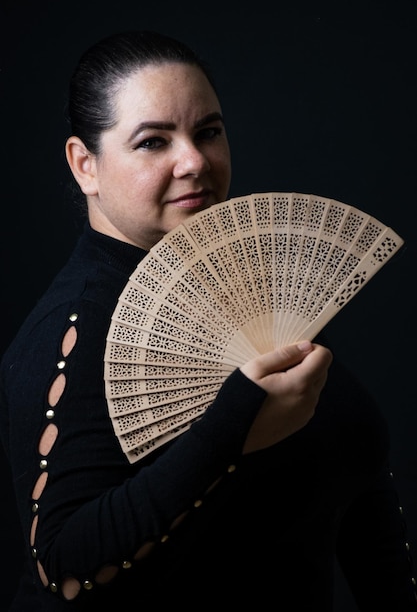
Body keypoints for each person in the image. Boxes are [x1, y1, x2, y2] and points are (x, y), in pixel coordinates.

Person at [0, 30, 415, 612]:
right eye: (152, 141)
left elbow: (361, 491)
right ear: (85, 165)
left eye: (208, 132)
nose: (194, 161)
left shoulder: (254, 288)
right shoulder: (72, 331)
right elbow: (67, 574)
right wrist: (234, 429)